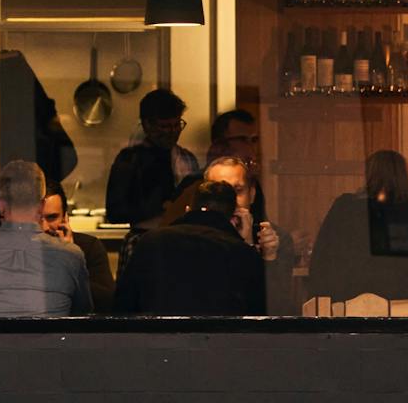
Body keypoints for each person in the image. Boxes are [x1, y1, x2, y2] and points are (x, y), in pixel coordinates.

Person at [306, 150, 408, 314]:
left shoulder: (344, 208)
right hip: (399, 324)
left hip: (345, 320)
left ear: (368, 175)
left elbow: (318, 268)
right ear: (404, 178)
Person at [0, 161, 91, 318]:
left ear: (1, 205)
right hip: (50, 342)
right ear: (41, 205)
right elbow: (83, 320)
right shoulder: (71, 255)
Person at [113, 181, 265, 317]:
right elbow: (257, 314)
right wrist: (246, 242)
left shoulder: (151, 241)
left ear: (188, 210)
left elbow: (124, 306)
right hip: (220, 345)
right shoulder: (241, 253)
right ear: (233, 218)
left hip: (156, 342)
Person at [202, 155, 295, 313]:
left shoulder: (272, 238)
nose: (231, 201)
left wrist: (269, 257)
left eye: (238, 191)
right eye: (222, 193)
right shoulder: (195, 236)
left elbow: (278, 306)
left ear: (251, 194)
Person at [104, 89, 200, 230]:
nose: (172, 132)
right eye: (165, 126)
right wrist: (160, 207)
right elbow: (115, 213)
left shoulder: (187, 159)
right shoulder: (130, 159)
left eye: (176, 125)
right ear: (147, 125)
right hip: (146, 236)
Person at [39, 185, 115, 313]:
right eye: (37, 219)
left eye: (52, 217)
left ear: (65, 218)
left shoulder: (89, 246)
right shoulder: (18, 248)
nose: (44, 227)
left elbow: (106, 302)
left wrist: (70, 257)